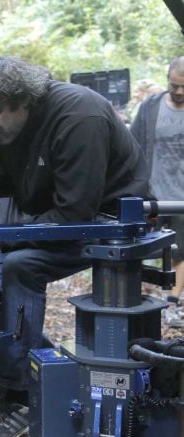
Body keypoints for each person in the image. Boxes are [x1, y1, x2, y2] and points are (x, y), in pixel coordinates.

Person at [0, 56, 148, 437]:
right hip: (68, 214)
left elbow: (73, 214)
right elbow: (17, 182)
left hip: (110, 222)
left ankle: (17, 393)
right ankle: (33, 369)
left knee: (19, 266)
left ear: (21, 99)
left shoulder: (78, 115)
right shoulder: (11, 126)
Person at [131, 56, 184, 326]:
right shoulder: (150, 107)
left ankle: (172, 305)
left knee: (182, 253)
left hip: (183, 197)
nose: (179, 91)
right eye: (174, 85)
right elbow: (133, 144)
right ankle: (139, 300)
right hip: (152, 196)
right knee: (141, 246)